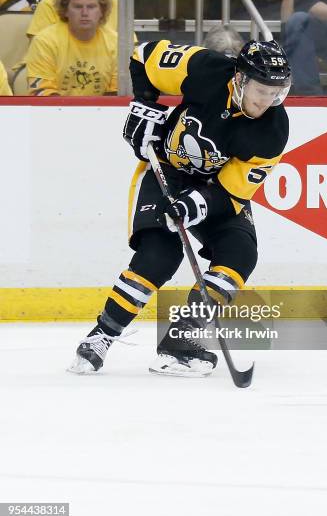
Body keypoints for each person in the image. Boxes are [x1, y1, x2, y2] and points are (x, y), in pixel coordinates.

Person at [68, 39, 291, 377]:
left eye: (277, 92)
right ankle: (101, 336)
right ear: (241, 79)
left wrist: (194, 205)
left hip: (214, 190)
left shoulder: (273, 129)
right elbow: (142, 56)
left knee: (240, 254)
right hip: (167, 172)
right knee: (158, 257)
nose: (268, 100)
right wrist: (145, 105)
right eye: (262, 90)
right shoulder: (206, 69)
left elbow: (232, 191)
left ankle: (180, 340)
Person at [25, 0, 117, 96]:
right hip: (54, 113)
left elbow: (118, 93)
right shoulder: (44, 42)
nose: (85, 13)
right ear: (65, 10)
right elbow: (41, 93)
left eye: (91, 7)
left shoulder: (116, 42)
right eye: (78, 7)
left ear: (102, 11)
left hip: (103, 113)